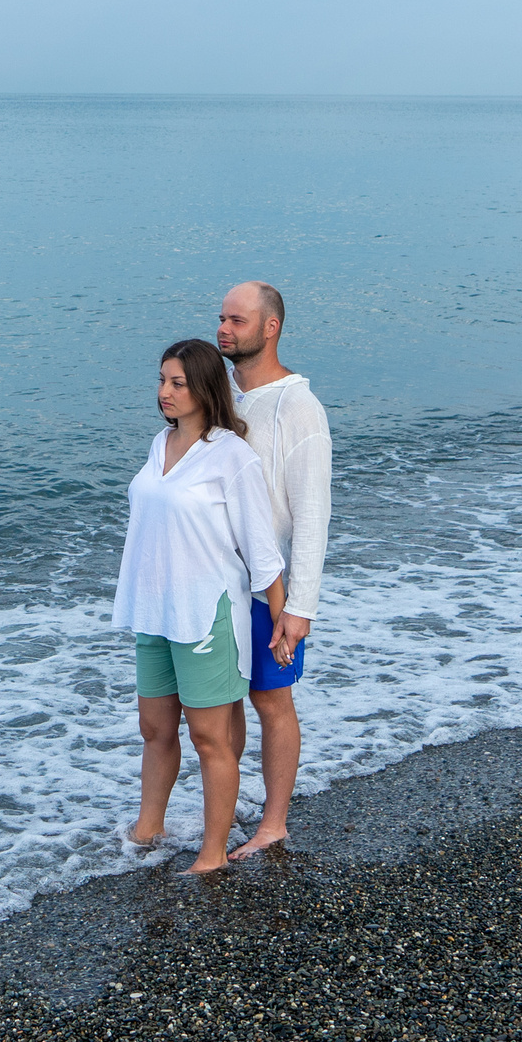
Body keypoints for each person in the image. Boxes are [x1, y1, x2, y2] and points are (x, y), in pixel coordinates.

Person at [114, 338, 288, 874]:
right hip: (154, 611)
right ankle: (148, 828)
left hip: (206, 613)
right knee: (155, 729)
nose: (165, 392)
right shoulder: (158, 443)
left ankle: (212, 853)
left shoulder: (231, 456)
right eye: (162, 381)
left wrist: (283, 621)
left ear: (205, 388)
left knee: (210, 737)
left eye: (178, 383)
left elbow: (262, 549)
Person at [215, 281, 331, 860]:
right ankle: (227, 805)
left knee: (272, 700)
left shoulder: (296, 405)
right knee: (224, 702)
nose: (224, 329)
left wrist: (299, 608)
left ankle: (275, 822)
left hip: (269, 592)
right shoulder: (226, 401)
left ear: (270, 327)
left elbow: (312, 512)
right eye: (221, 318)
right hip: (217, 586)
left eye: (237, 319)